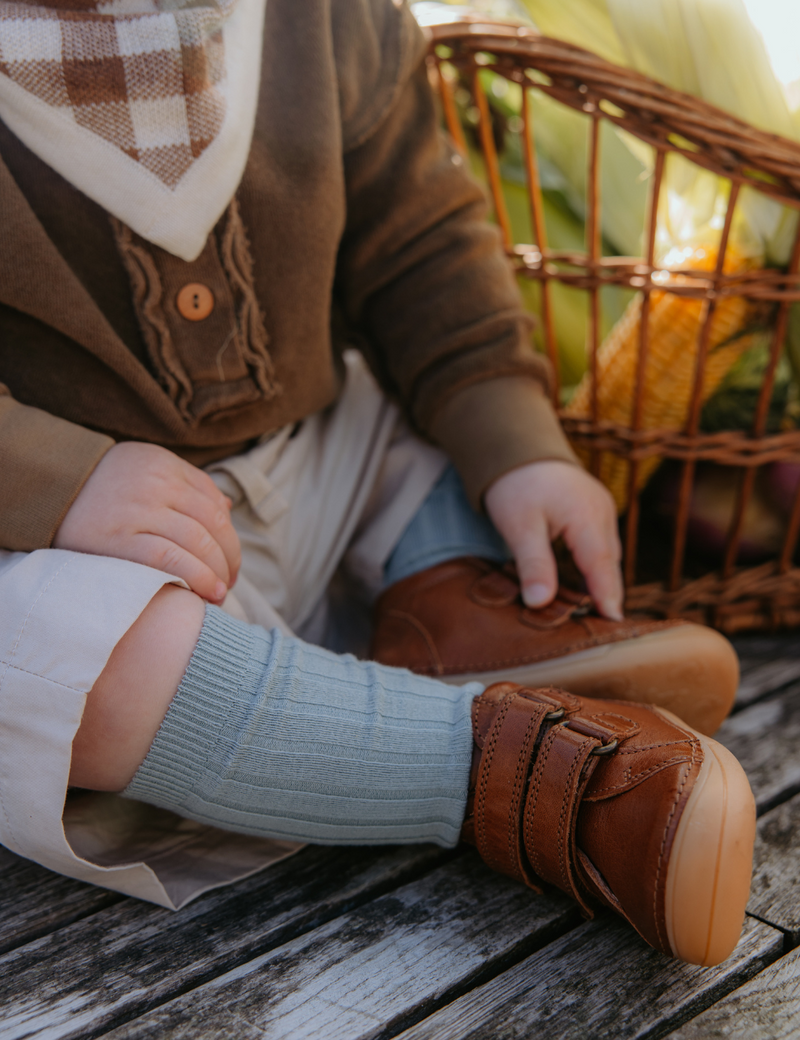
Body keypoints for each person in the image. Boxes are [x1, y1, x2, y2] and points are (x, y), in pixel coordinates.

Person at [0, 0, 754, 964]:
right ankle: (517, 774)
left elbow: (419, 243)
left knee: (413, 414)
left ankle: (448, 611)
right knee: (53, 651)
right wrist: (58, 478)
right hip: (73, 556)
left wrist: (520, 448)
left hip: (317, 456)